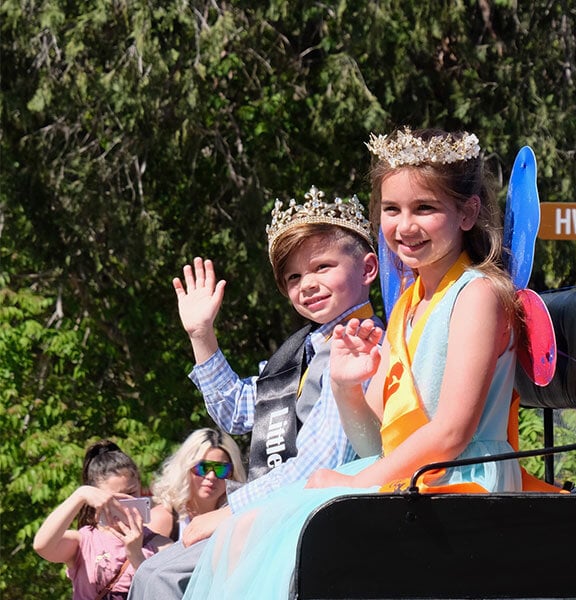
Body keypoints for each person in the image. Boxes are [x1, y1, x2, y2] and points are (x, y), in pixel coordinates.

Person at [180, 127, 528, 598]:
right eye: (391, 210)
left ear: (467, 212)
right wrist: (348, 387)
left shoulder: (477, 294)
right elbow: (377, 440)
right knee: (247, 532)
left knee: (285, 525)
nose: (405, 226)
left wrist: (358, 484)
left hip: (463, 481)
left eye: (425, 208)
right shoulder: (409, 305)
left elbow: (451, 432)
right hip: (418, 477)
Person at [127, 187, 380, 600]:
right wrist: (201, 335)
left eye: (322, 266)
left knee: (162, 578)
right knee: (155, 572)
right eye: (294, 277)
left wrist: (230, 512)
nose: (308, 285)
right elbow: (238, 411)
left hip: (315, 511)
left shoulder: (363, 343)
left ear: (368, 267)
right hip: (274, 510)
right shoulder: (299, 350)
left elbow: (322, 459)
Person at [33, 440, 170, 600]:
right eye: (113, 498)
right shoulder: (85, 542)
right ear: (97, 498)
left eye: (132, 493)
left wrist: (136, 556)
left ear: (140, 486)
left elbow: (165, 594)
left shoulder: (161, 545)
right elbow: (42, 546)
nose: (124, 504)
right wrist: (80, 495)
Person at [147, 428, 247, 541]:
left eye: (221, 469)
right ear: (185, 468)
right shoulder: (163, 519)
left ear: (233, 474)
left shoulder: (236, 517)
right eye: (203, 468)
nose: (211, 477)